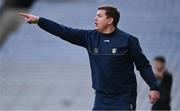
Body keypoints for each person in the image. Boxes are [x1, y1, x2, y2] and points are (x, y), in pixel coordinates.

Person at [19, 5, 160, 110]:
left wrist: (153, 87)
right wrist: (39, 21)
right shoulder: (89, 37)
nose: (95, 18)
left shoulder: (128, 40)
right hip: (101, 98)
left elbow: (143, 65)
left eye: (99, 16)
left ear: (110, 20)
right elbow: (63, 31)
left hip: (123, 98)